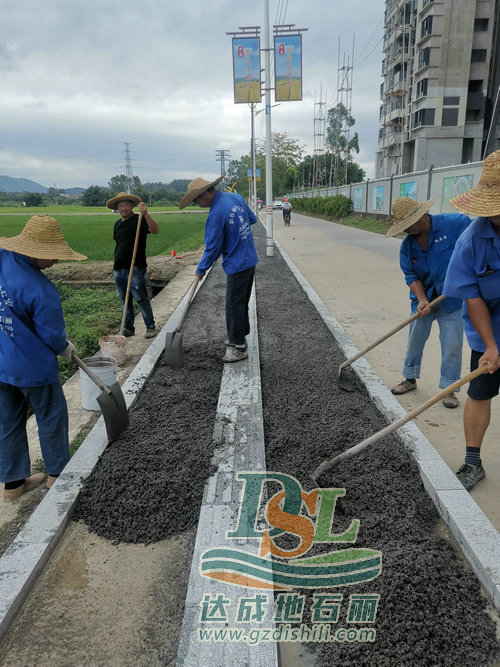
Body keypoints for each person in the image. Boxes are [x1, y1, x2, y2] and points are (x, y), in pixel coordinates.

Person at [0, 215, 86, 502]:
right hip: (33, 368)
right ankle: (57, 476)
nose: (57, 262)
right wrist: (65, 346)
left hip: (1, 364)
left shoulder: (2, 260)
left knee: (8, 421)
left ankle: (12, 485)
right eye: (53, 256)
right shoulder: (42, 290)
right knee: (51, 416)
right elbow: (51, 335)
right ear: (36, 252)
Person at [443, 149, 500, 490]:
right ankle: (472, 463)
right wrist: (491, 345)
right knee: (479, 393)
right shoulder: (471, 241)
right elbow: (473, 297)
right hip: (489, 327)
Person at [386, 197, 471, 408]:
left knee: (452, 344)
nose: (406, 231)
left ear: (420, 217)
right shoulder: (407, 246)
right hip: (423, 301)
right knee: (415, 338)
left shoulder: (455, 224)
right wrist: (422, 300)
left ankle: (449, 390)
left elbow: (476, 242)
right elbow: (410, 275)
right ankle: (409, 378)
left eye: (408, 226)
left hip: (451, 300)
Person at [179, 177, 258, 363]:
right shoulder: (235, 197)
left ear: (205, 193)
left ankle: (237, 347)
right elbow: (252, 219)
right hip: (250, 258)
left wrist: (201, 269)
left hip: (237, 265)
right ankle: (241, 335)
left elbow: (213, 248)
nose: (198, 205)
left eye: (197, 200)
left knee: (232, 306)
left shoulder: (216, 214)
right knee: (240, 303)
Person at [106, 192, 160, 339]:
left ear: (132, 207)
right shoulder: (117, 224)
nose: (124, 208)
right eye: (121, 205)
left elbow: (155, 230)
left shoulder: (139, 219)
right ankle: (128, 327)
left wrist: (146, 214)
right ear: (117, 208)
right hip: (119, 268)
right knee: (124, 300)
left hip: (135, 267)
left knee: (141, 298)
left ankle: (150, 327)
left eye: (126, 205)